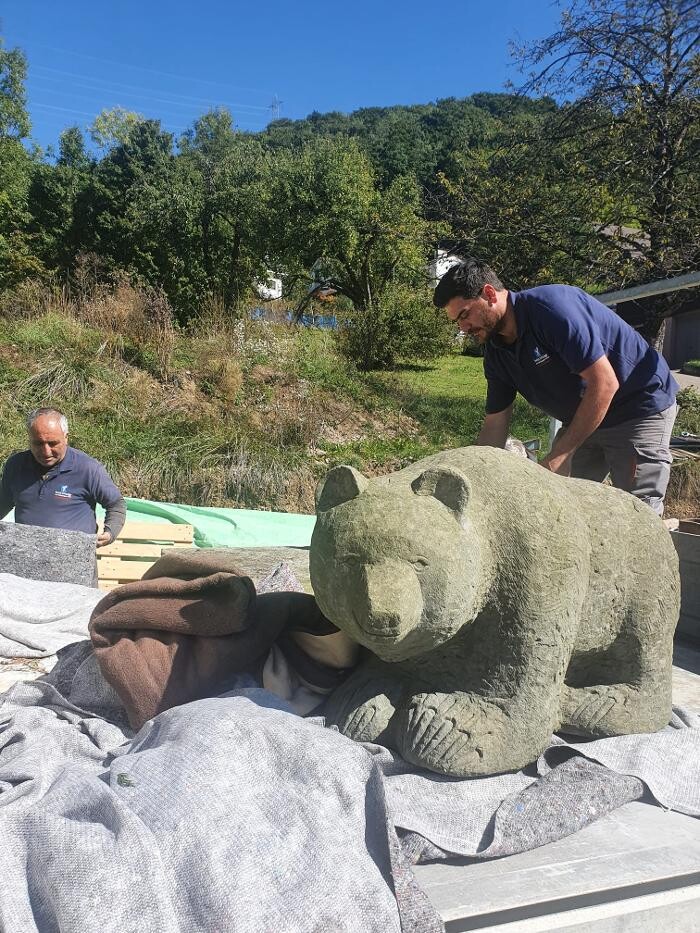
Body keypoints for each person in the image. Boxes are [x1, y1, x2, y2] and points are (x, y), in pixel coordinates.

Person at [433, 259, 679, 515]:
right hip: (585, 416)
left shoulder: (551, 310)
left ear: (489, 294)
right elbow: (494, 426)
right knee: (565, 511)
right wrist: (469, 476)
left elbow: (604, 383)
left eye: (464, 315)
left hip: (637, 409)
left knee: (639, 517)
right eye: (457, 322)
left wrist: (559, 456)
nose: (463, 328)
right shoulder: (496, 352)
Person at [0, 407, 126, 544]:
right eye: (38, 443)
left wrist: (110, 532)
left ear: (66, 438)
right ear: (29, 438)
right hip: (26, 557)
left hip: (74, 560)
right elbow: (3, 502)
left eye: (52, 443)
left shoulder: (87, 469)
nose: (46, 451)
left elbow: (116, 504)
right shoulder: (16, 465)